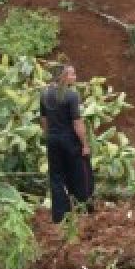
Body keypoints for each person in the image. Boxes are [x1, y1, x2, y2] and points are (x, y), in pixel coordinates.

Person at [39, 63, 93, 223]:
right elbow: (77, 123)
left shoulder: (44, 94)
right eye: (72, 74)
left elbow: (43, 120)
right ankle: (83, 208)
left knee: (56, 177)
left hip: (53, 140)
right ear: (62, 76)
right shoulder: (71, 95)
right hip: (69, 140)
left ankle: (59, 216)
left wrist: (50, 137)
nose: (75, 77)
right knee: (79, 172)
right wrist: (85, 144)